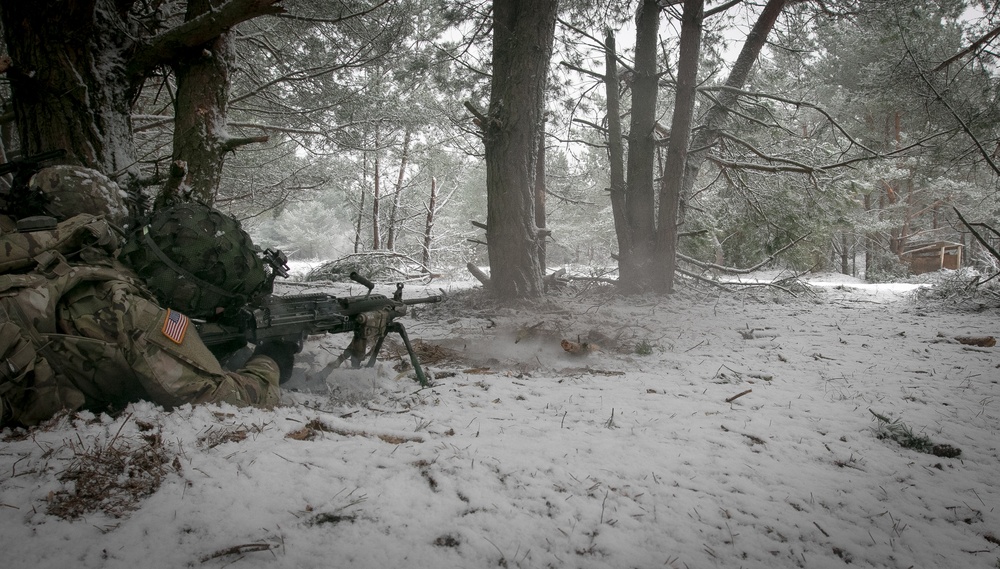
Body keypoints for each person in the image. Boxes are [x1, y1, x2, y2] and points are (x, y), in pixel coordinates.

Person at [0, 165, 292, 428]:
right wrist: (271, 359)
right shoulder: (135, 312)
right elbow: (220, 401)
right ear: (188, 291)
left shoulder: (82, 256)